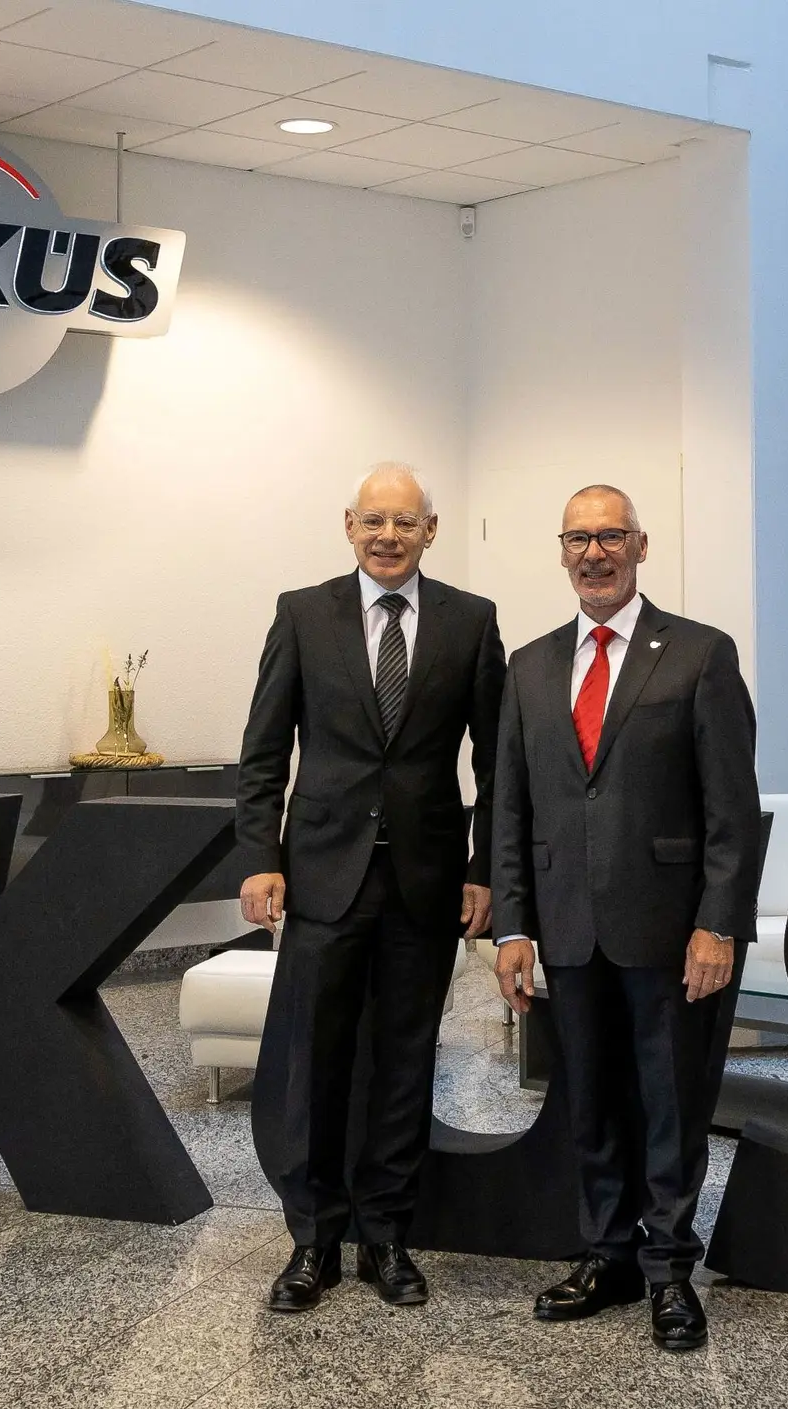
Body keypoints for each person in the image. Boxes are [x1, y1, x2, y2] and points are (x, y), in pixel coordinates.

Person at [490, 484, 762, 1352]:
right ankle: (606, 1254)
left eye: (611, 536)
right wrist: (512, 926)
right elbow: (508, 809)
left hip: (671, 931)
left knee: (671, 1101)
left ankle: (670, 1270)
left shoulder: (699, 654)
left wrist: (719, 921)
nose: (594, 553)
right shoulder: (530, 666)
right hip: (567, 927)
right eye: (579, 538)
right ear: (561, 551)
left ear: (641, 546)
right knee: (592, 1099)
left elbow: (732, 809)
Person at [238, 462, 506, 1313]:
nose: (389, 536)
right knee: (312, 1062)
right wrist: (260, 855)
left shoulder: (471, 621)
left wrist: (483, 868)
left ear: (432, 531)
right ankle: (313, 1239)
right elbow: (263, 750)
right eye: (374, 521)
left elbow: (499, 763)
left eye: (405, 522)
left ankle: (386, 1235)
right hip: (323, 877)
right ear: (349, 525)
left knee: (404, 1060)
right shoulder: (302, 613)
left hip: (426, 883)